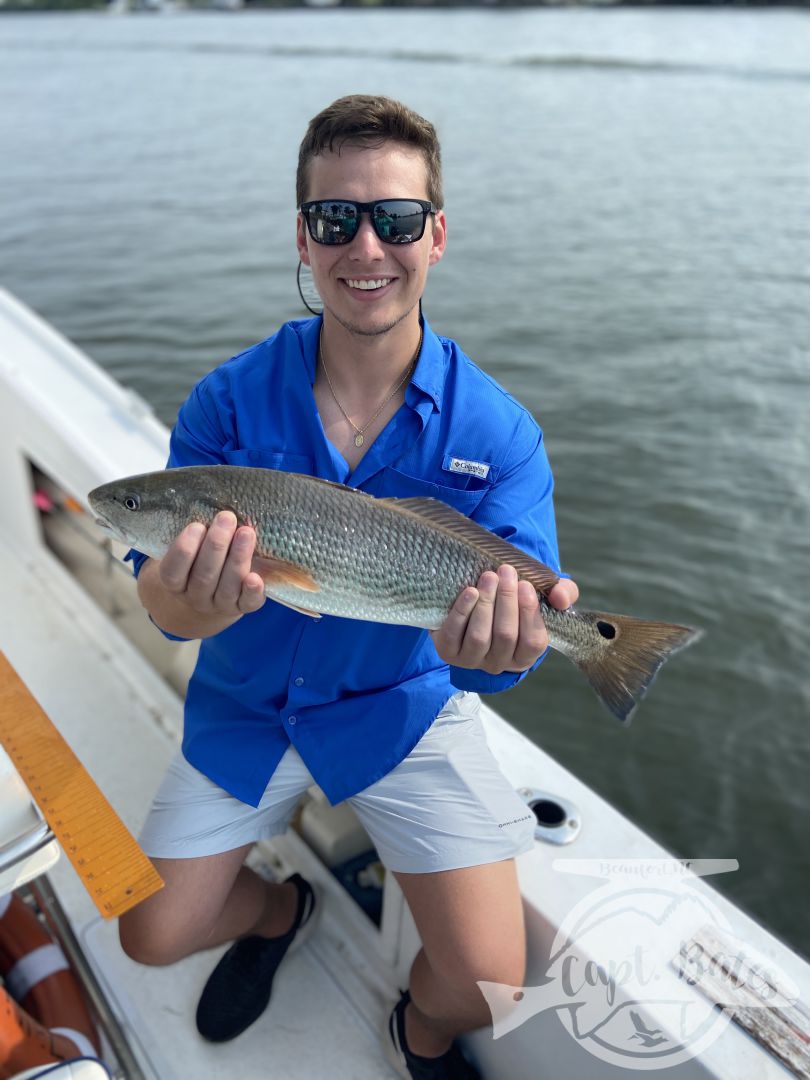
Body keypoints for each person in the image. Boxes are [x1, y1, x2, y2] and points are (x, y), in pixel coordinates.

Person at [119, 94, 579, 1080]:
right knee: (148, 935)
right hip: (247, 705)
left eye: (396, 219)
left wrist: (495, 655)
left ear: (437, 235)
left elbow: (497, 670)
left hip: (401, 707)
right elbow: (161, 603)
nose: (366, 246)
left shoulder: (498, 435)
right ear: (304, 233)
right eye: (337, 219)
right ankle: (282, 909)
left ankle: (414, 1027)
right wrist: (187, 604)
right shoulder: (226, 403)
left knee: (487, 983)